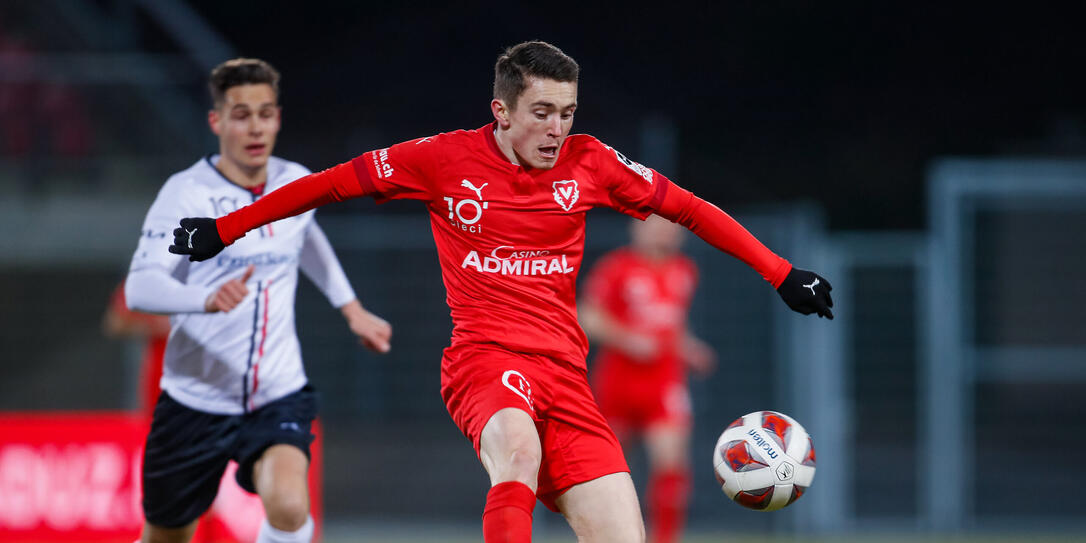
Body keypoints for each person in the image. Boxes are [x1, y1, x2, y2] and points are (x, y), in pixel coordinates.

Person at [168, 42, 833, 543]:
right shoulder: (442, 160)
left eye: (567, 113)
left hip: (567, 378)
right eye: (541, 112)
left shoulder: (590, 162)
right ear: (501, 110)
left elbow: (687, 207)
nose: (556, 129)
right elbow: (331, 183)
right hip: (486, 361)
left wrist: (780, 272)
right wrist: (226, 227)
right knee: (516, 451)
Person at [125, 58, 392, 543]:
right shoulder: (186, 195)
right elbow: (139, 288)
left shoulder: (295, 180)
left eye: (265, 114)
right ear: (217, 121)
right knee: (167, 536)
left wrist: (350, 307)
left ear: (278, 118)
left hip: (277, 390)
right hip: (196, 399)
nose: (255, 127)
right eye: (241, 114)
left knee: (290, 508)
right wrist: (204, 298)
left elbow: (306, 237)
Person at [580, 215, 715, 543]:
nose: (663, 231)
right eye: (655, 224)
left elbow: (672, 324)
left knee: (672, 465)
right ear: (637, 228)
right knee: (608, 469)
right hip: (618, 380)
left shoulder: (685, 271)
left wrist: (690, 349)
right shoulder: (616, 268)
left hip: (664, 380)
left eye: (671, 225)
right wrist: (629, 339)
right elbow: (586, 316)